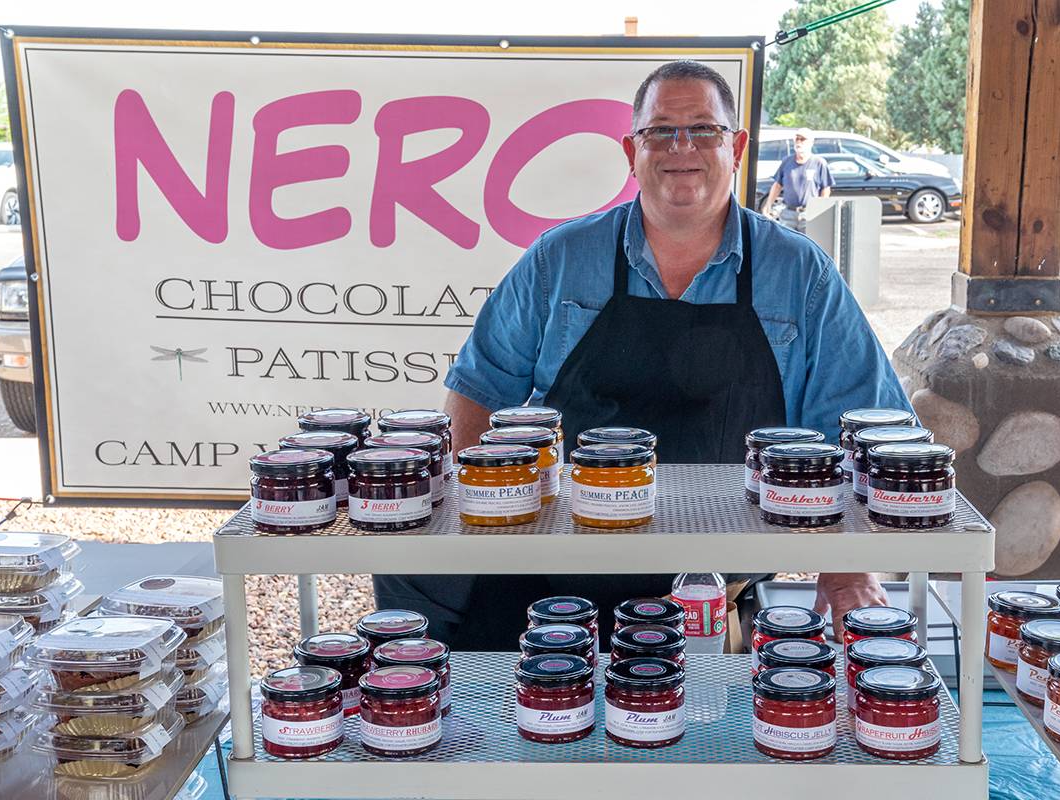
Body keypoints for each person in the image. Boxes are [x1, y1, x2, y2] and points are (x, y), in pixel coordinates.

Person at [373, 61, 910, 650]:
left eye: (703, 129)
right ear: (632, 150)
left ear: (736, 145)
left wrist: (850, 568)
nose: (683, 147)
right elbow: (477, 391)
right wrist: (465, 516)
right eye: (661, 131)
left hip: (709, 586)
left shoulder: (799, 273)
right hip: (553, 565)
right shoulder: (561, 258)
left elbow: (865, 422)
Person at [763, 128, 834, 232]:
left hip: (809, 213)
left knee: (807, 244)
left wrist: (821, 209)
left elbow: (825, 189)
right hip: (788, 213)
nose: (799, 142)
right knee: (787, 243)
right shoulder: (787, 161)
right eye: (797, 139)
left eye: (803, 139)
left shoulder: (819, 163)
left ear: (811, 142)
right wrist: (768, 205)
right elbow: (777, 185)